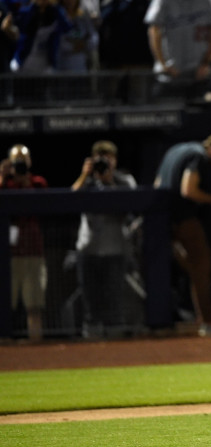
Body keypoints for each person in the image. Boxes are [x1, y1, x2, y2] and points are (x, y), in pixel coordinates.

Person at [154, 133, 211, 335]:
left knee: (177, 267)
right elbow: (188, 190)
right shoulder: (199, 155)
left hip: (159, 217)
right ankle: (209, 321)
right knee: (202, 265)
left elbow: (157, 183)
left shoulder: (176, 148)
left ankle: (162, 323)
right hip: (182, 217)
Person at [71, 140, 138, 338]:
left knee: (114, 298)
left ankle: (116, 345)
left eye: (108, 158)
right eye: (100, 159)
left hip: (115, 249)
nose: (104, 163)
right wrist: (85, 174)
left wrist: (109, 182)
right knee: (90, 299)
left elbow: (131, 205)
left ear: (115, 161)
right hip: (88, 248)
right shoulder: (88, 182)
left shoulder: (124, 180)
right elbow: (70, 198)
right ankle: (92, 344)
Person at [144, 0, 211, 96]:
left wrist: (206, 63)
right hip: (170, 71)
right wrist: (163, 64)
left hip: (196, 72)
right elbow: (154, 31)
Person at [0, 144, 48, 342]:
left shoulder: (37, 182)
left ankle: (35, 345)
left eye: (23, 159)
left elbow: (44, 203)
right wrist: (2, 176)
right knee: (4, 305)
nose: (20, 163)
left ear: (29, 162)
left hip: (32, 250)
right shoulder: (6, 184)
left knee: (33, 305)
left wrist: (25, 180)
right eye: (16, 159)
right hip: (7, 254)